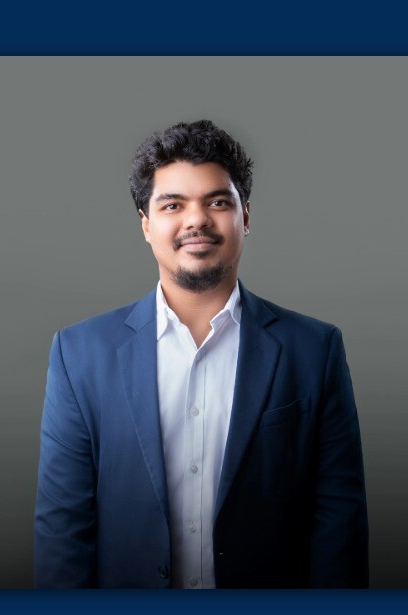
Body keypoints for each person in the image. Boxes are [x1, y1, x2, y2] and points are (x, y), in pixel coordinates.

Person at [34, 120, 368, 589]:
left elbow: (339, 528)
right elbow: (63, 531)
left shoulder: (313, 351)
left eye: (217, 201)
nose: (197, 220)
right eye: (173, 205)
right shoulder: (80, 353)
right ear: (146, 224)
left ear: (245, 217)